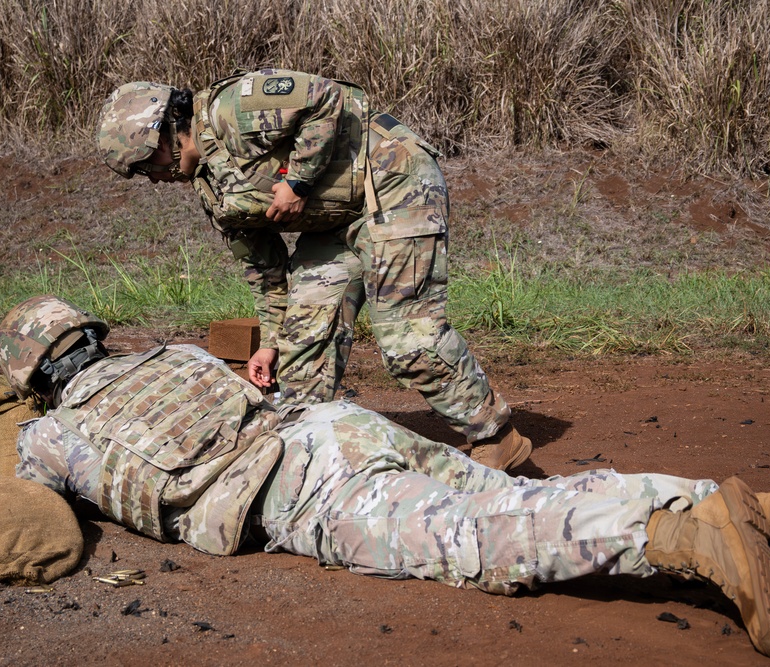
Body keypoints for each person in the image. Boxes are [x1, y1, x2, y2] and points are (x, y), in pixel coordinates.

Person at [0, 295, 770, 659]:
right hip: (336, 425)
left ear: (35, 377)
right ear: (91, 336)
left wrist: (14, 402)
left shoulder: (50, 433)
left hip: (295, 489)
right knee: (512, 496)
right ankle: (715, 497)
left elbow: (16, 482)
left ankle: (676, 539)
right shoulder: (170, 353)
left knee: (483, 542)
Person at [95, 69, 531, 472]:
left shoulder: (231, 110)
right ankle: (310, 452)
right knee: (300, 347)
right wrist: (269, 343)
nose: (151, 179)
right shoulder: (213, 193)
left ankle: (494, 433)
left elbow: (327, 97)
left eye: (144, 167)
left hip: (393, 180)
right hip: (336, 220)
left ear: (162, 138)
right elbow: (265, 274)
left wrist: (298, 181)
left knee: (406, 337)